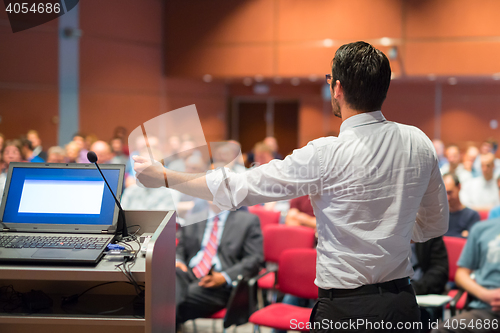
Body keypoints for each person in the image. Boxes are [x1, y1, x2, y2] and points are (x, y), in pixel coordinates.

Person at [134, 41, 448, 332]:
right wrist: (394, 231)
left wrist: (166, 176)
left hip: (345, 309)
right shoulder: (418, 141)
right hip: (402, 303)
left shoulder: (325, 153)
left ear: (337, 88)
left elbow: (237, 188)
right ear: (384, 89)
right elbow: (435, 224)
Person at [175, 203, 263, 326]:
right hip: (190, 272)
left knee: (167, 301)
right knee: (166, 284)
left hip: (221, 282)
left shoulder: (247, 221)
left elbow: (254, 259)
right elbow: (179, 250)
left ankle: (156, 321)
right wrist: (178, 261)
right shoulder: (193, 219)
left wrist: (224, 277)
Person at [432, 219, 500, 333]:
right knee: (443, 330)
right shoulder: (482, 229)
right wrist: (486, 295)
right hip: (486, 311)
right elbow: (461, 274)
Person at [443, 174, 480, 238]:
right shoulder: (438, 215)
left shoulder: (472, 215)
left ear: (459, 187)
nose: (447, 197)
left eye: (450, 192)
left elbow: (471, 241)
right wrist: (461, 235)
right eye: (444, 193)